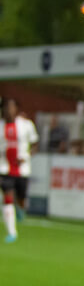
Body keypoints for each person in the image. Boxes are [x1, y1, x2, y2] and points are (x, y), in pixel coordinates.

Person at [1, 97, 39, 241]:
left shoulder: (26, 125)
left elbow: (35, 144)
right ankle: (12, 232)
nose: (8, 110)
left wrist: (26, 156)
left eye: (11, 107)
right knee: (8, 197)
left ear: (16, 108)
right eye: (6, 107)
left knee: (21, 198)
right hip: (4, 168)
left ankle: (20, 208)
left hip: (22, 169)